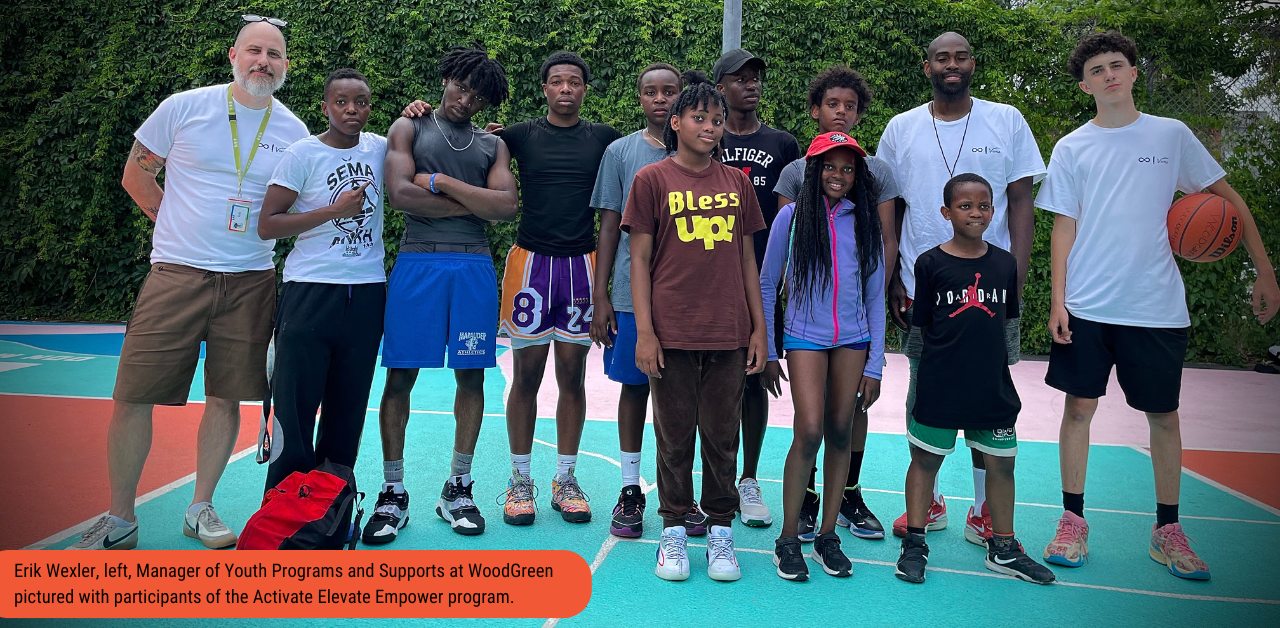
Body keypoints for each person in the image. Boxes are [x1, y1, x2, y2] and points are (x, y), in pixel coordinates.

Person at [1037, 31, 1279, 580]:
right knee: (1078, 409)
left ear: (1134, 72)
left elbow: (1227, 201)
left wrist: (1264, 270)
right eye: (1096, 70)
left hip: (1155, 305)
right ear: (1084, 85)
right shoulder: (1073, 146)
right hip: (1089, 303)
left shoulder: (1171, 135)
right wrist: (1058, 300)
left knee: (1163, 417)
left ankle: (1167, 530)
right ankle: (1072, 522)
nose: (1109, 75)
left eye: (1116, 65)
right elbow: (1063, 227)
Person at [71, 17, 308, 551]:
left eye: (274, 54)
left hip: (251, 280)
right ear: (232, 55)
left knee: (226, 399)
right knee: (134, 395)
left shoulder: (293, 132)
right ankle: (119, 519)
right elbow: (137, 175)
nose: (262, 62)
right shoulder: (184, 106)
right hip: (176, 274)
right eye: (254, 50)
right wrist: (173, 227)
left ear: (286, 65)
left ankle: (200, 507)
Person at [877, 31, 1045, 543]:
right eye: (941, 58)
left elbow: (1020, 202)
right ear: (926, 66)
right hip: (922, 288)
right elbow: (892, 210)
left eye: (961, 56)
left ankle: (984, 508)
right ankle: (928, 501)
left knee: (987, 392)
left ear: (973, 63)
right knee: (924, 391)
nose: (952, 65)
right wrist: (890, 281)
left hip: (992, 292)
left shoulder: (1007, 119)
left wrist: (1015, 274)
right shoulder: (901, 128)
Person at [363, 45, 517, 544]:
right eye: (461, 85)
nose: (466, 98)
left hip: (473, 266)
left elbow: (506, 206)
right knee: (400, 376)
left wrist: (444, 185)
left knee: (471, 376)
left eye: (477, 95)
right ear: (447, 77)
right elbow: (402, 195)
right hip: (417, 262)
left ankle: (459, 486)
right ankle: (392, 491)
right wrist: (475, 204)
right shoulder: (409, 127)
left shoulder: (493, 145)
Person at [623, 72, 768, 582]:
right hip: (672, 333)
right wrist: (645, 331)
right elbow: (639, 261)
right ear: (676, 123)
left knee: (722, 436)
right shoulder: (651, 180)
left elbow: (748, 260)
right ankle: (674, 531)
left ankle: (722, 533)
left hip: (728, 332)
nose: (710, 127)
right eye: (700, 118)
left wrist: (758, 329)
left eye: (717, 120)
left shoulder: (738, 183)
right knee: (674, 435)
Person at [894, 173, 1055, 586]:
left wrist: (1005, 369)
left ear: (993, 211)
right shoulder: (929, 263)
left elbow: (1010, 323)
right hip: (940, 385)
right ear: (947, 213)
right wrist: (919, 382)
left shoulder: (1004, 264)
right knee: (925, 461)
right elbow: (921, 327)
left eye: (983, 205)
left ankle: (1003, 548)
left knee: (1002, 464)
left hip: (991, 387)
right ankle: (914, 543)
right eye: (965, 206)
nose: (976, 212)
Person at [490, 52, 621, 525]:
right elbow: (460, 139)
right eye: (557, 82)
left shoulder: (605, 139)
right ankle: (519, 480)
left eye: (574, 82)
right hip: (530, 266)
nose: (566, 89)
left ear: (585, 89)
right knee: (525, 377)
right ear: (544, 89)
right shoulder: (519, 135)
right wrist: (418, 114)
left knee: (572, 376)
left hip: (581, 267)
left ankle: (565, 479)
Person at [774, 65, 898, 542]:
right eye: (833, 104)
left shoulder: (876, 174)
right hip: (807, 329)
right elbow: (780, 262)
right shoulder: (794, 179)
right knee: (809, 428)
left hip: (855, 327)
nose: (841, 112)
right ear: (816, 110)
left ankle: (845, 499)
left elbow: (882, 244)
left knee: (846, 421)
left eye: (850, 106)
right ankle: (801, 508)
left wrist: (868, 336)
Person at [588, 64, 712, 538]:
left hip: (689, 298)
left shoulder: (705, 153)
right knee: (635, 388)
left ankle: (681, 493)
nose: (660, 99)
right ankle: (630, 489)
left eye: (670, 91)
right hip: (628, 293)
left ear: (683, 100)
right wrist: (600, 295)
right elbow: (607, 226)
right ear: (639, 98)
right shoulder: (621, 152)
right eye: (650, 92)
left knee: (686, 397)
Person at [761, 132, 884, 581]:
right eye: (830, 167)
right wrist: (771, 351)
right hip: (804, 337)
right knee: (809, 430)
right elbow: (766, 283)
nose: (839, 175)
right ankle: (788, 538)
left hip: (853, 338)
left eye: (848, 169)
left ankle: (827, 536)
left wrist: (875, 363)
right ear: (814, 171)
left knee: (840, 430)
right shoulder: (791, 219)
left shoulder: (864, 219)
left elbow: (874, 295)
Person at [256, 68, 387, 491]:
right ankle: (284, 507)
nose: (352, 110)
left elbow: (434, 144)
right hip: (310, 291)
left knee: (348, 410)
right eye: (342, 102)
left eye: (361, 102)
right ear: (325, 106)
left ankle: (330, 507)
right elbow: (268, 224)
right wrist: (334, 212)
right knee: (294, 409)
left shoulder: (383, 149)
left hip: (367, 293)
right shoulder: (302, 155)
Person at [712, 48, 802, 528]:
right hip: (708, 279)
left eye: (757, 78)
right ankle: (716, 480)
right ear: (720, 86)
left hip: (761, 281)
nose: (752, 85)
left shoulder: (783, 144)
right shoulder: (705, 136)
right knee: (713, 383)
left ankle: (747, 479)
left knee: (754, 380)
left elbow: (797, 211)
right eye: (740, 78)